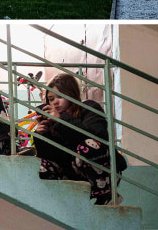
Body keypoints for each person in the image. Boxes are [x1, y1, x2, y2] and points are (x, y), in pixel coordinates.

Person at [32, 73, 125, 204]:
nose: (55, 102)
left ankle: (106, 195)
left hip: (103, 169)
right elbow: (52, 157)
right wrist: (42, 135)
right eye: (51, 99)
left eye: (60, 96)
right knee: (43, 165)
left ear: (72, 95)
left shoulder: (89, 108)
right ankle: (58, 204)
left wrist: (61, 119)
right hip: (72, 170)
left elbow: (98, 137)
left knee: (86, 146)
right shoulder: (52, 120)